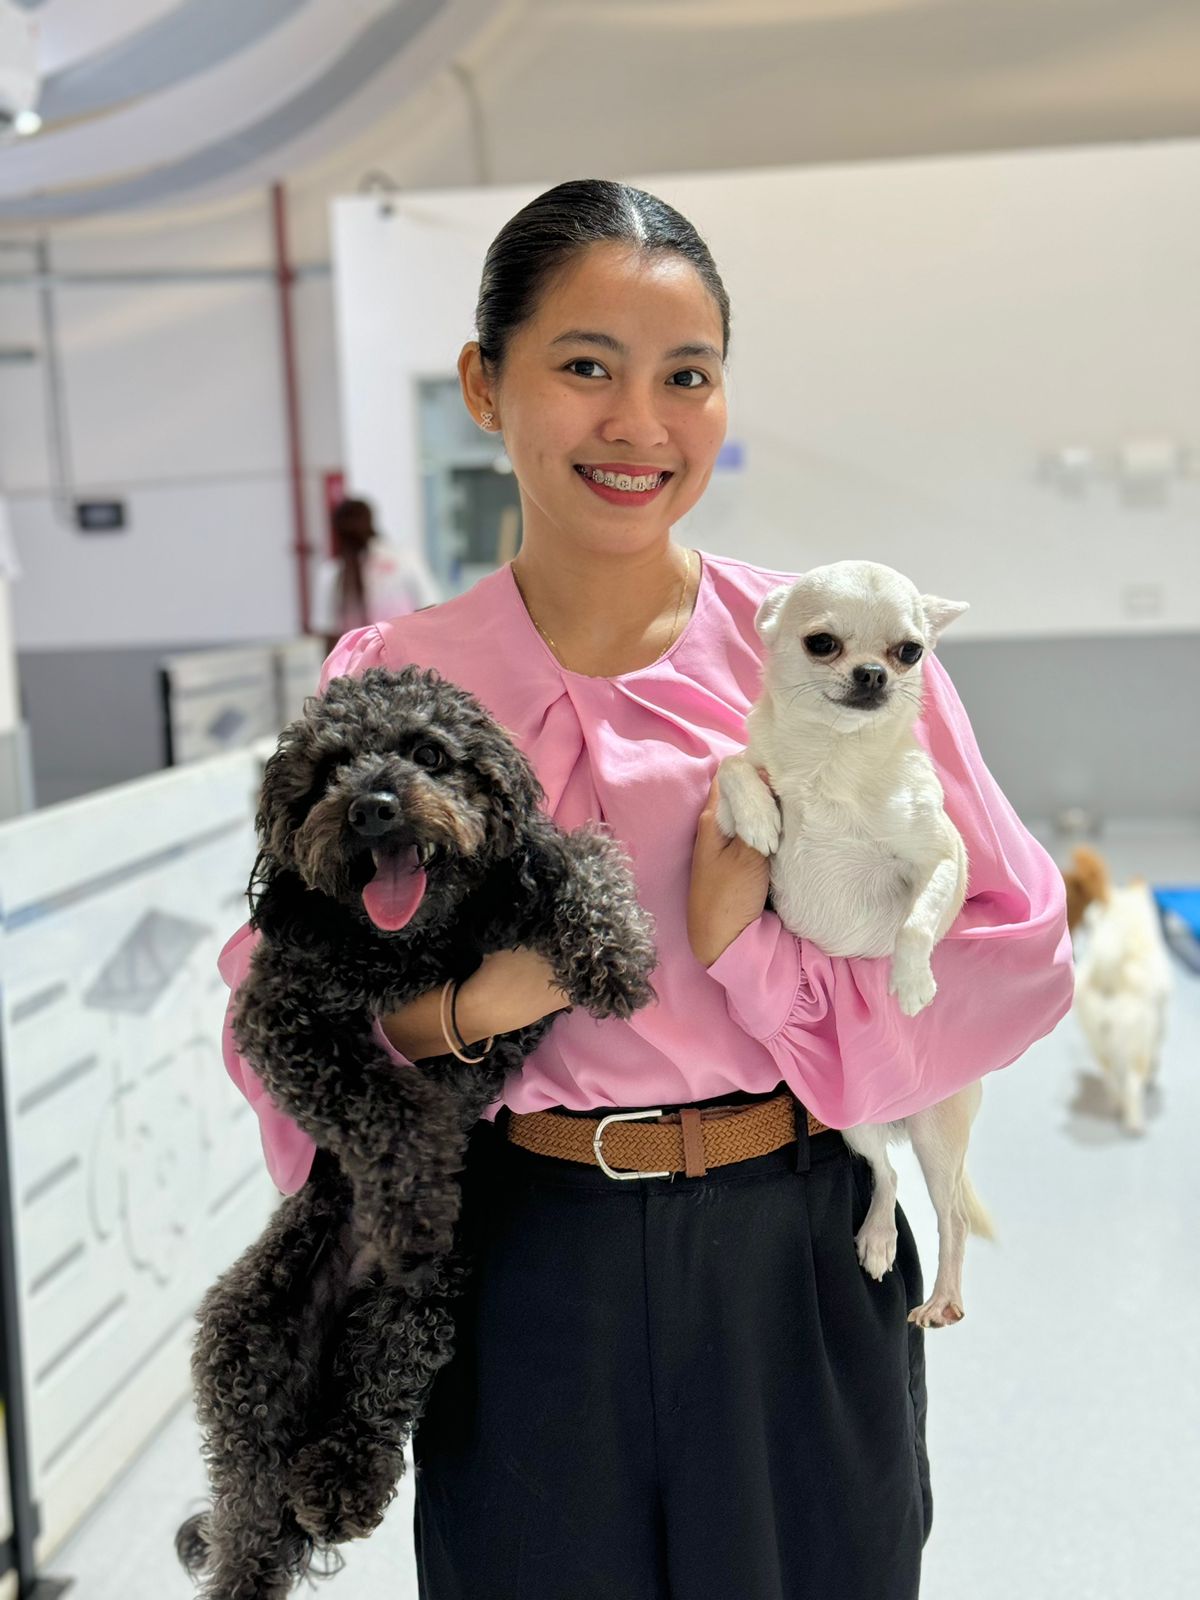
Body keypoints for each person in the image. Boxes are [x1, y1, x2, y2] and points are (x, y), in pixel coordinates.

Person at [219, 179, 1073, 1599]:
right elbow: (283, 1009)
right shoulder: (399, 680)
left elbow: (1014, 948)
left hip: (793, 1244)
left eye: (688, 376)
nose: (640, 424)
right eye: (584, 368)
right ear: (487, 387)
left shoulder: (819, 639)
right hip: (522, 1269)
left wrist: (753, 955)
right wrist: (467, 1011)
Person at [310, 495, 439, 653]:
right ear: (371, 521)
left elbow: (329, 638)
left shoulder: (331, 573)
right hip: (407, 666)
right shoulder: (405, 560)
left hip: (357, 673)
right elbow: (430, 611)